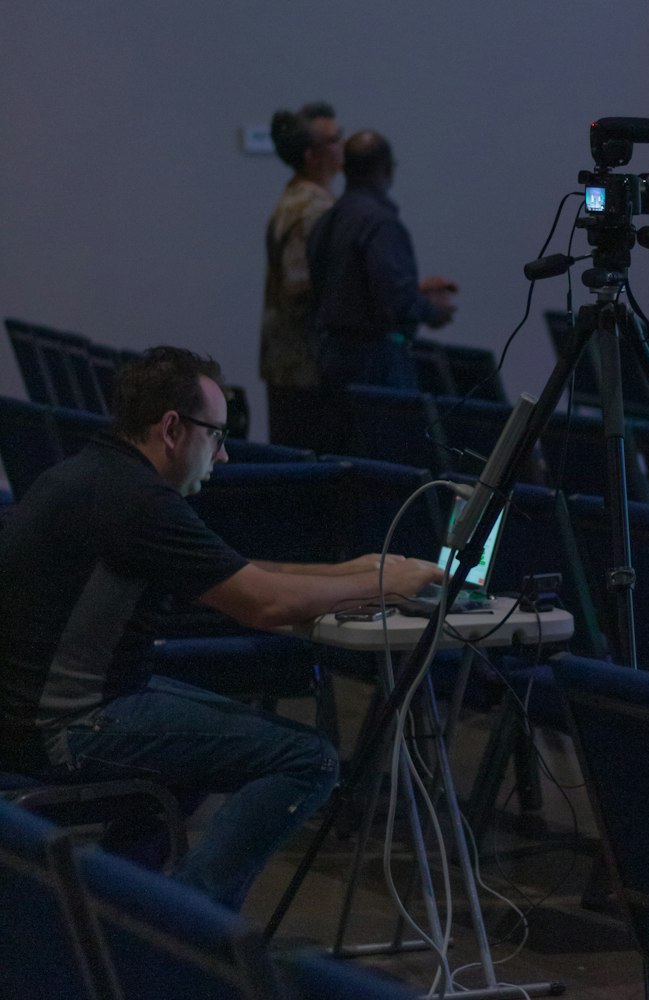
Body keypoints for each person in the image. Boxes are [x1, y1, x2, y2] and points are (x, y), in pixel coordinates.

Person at [0, 346, 442, 910]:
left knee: (196, 754)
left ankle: (115, 911)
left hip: (38, 716)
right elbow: (260, 604)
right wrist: (384, 585)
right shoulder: (137, 501)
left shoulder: (92, 472)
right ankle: (183, 929)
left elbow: (238, 575)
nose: (225, 456)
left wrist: (352, 572)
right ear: (172, 429)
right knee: (309, 759)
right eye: (216, 436)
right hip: (69, 730)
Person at [308, 130, 458, 405]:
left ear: (345, 168)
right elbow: (394, 301)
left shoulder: (326, 221)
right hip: (377, 363)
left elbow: (334, 287)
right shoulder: (381, 225)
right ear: (386, 169)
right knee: (388, 445)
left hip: (331, 357)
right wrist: (432, 309)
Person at [259, 101, 344, 451]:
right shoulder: (312, 209)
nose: (344, 144)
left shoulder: (298, 199)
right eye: (335, 139)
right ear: (311, 155)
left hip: (290, 365)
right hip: (304, 369)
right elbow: (299, 285)